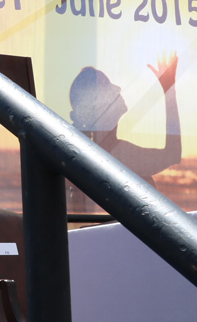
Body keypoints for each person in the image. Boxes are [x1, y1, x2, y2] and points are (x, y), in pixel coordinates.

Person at [67, 52, 182, 211]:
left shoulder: (94, 152)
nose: (117, 88)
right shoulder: (116, 154)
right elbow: (172, 154)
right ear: (98, 105)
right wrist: (169, 90)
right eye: (107, 86)